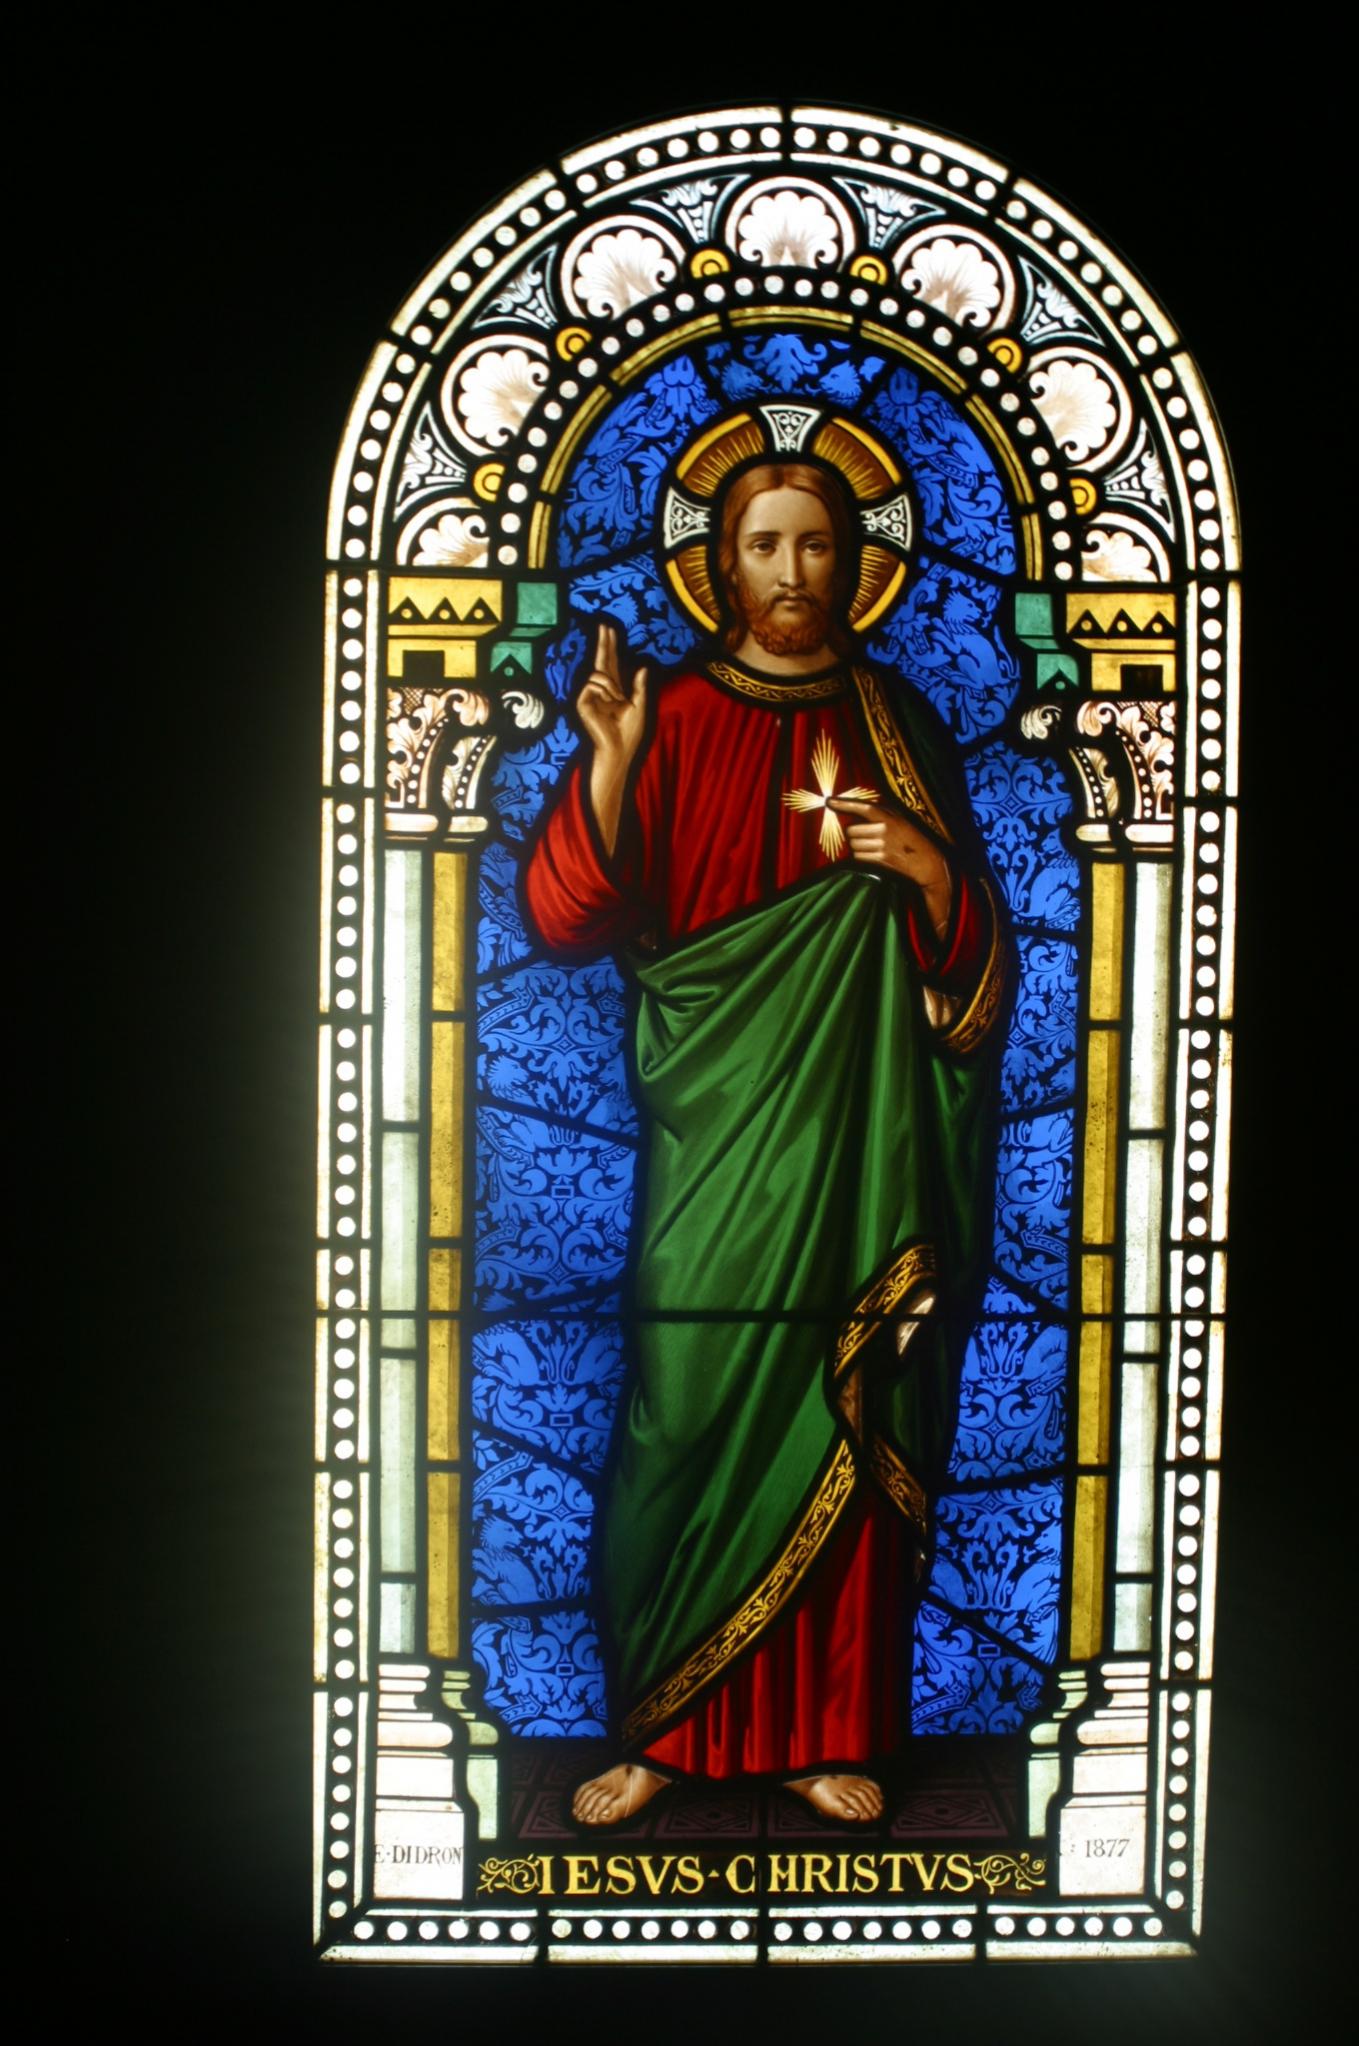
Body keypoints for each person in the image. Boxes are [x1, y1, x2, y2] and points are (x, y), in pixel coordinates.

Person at [524, 460, 1007, 1825]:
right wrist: (610, 761)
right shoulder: (671, 714)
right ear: (721, 562)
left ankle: (824, 1730)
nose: (793, 572)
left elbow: (972, 990)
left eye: (818, 544)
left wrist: (925, 869)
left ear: (856, 560)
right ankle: (657, 1729)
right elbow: (565, 920)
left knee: (840, 1405)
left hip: (861, 1160)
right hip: (712, 1142)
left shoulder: (895, 720)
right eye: (764, 545)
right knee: (678, 1411)